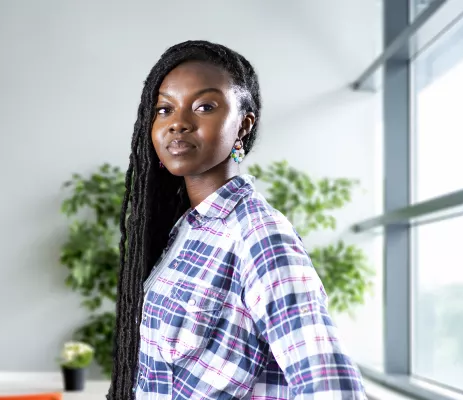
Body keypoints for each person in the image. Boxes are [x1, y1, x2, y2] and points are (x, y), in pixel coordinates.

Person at [108, 40, 367, 399]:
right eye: (164, 109)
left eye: (204, 106)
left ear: (243, 126)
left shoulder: (258, 234)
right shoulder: (185, 229)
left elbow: (331, 386)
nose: (178, 123)